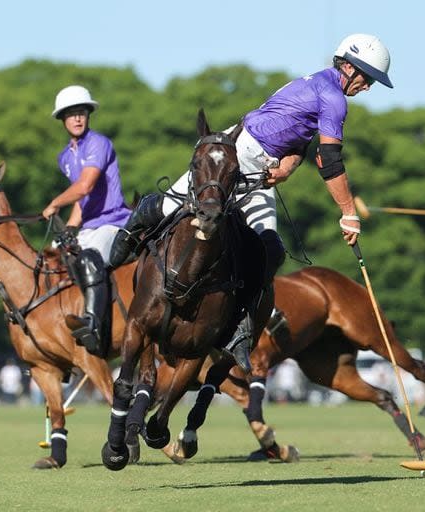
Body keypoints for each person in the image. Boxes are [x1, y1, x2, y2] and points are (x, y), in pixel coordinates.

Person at [109, 34, 394, 371]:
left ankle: (240, 329)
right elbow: (330, 160)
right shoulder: (333, 97)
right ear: (347, 66)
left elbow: (298, 134)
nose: (367, 87)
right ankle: (134, 228)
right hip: (235, 155)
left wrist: (290, 163)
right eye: (366, 78)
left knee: (269, 250)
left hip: (261, 167)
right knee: (173, 211)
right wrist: (348, 214)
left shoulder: (317, 85)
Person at [42, 85, 132, 356]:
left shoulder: (98, 144)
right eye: (71, 114)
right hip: (89, 225)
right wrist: (70, 227)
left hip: (114, 222)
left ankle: (93, 326)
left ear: (88, 115)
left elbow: (85, 187)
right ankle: (49, 328)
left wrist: (55, 203)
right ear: (63, 120)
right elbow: (83, 202)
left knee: (90, 257)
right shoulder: (65, 157)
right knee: (49, 260)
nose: (77, 118)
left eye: (81, 113)